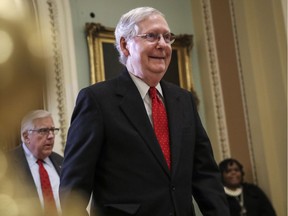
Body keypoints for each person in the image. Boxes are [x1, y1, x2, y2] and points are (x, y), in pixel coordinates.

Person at [60, 6, 230, 216]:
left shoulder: (183, 100)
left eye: (167, 37)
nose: (162, 45)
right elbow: (73, 189)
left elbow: (205, 174)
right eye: (151, 36)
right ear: (125, 45)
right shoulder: (97, 100)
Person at [6, 109, 63, 216]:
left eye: (52, 130)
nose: (51, 136)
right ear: (26, 136)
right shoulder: (7, 164)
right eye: (43, 131)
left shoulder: (61, 161)